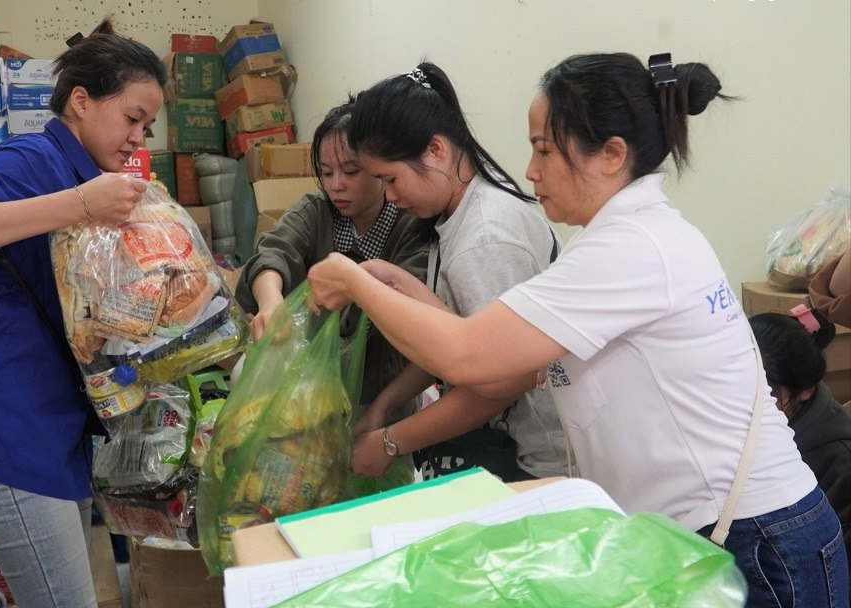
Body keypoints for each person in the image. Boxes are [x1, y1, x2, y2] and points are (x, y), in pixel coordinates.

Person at [308, 52, 848, 607]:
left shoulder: (630, 248)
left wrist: (353, 280)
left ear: (611, 154)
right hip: (721, 532)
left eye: (544, 149)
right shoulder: (620, 240)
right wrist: (401, 288)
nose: (531, 170)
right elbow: (514, 354)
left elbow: (471, 359)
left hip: (757, 542)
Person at [0, 18, 166, 608]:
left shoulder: (93, 177)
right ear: (80, 101)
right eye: (132, 119)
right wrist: (77, 204)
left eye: (147, 126)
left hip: (54, 428)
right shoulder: (34, 160)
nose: (139, 138)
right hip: (6, 424)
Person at [338, 62, 567, 483]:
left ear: (436, 151)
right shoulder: (464, 207)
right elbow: (457, 336)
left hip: (539, 460)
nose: (389, 197)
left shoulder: (484, 238)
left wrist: (391, 440)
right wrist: (384, 407)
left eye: (390, 179)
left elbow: (497, 383)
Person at [235, 99, 430, 485]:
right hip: (309, 403)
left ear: (380, 169)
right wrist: (271, 301)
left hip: (382, 407)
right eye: (326, 172)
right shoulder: (316, 211)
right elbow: (273, 252)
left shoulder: (409, 226)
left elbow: (424, 336)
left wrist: (381, 409)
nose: (336, 184)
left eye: (351, 171)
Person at [750, 307, 850, 575]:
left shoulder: (839, 459)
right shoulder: (756, 418)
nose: (751, 399)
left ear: (805, 389)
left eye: (767, 390)